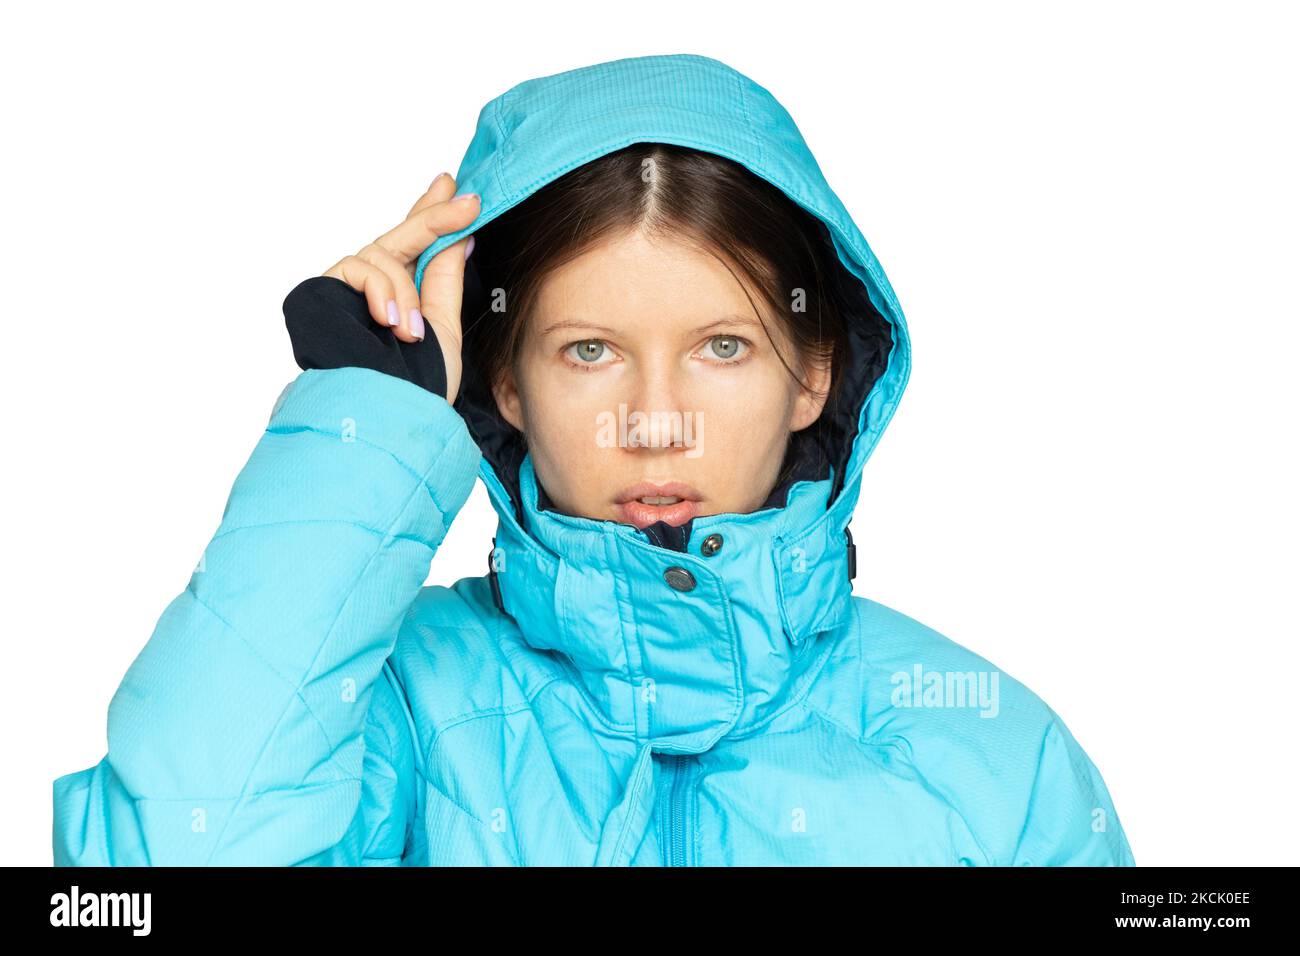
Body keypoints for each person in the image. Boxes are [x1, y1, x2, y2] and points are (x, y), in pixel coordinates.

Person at [52, 53, 1136, 866]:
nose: (655, 421)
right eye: (588, 350)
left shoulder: (993, 753)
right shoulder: (387, 707)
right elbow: (152, 871)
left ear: (814, 370)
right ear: (506, 381)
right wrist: (366, 423)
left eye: (722, 346)